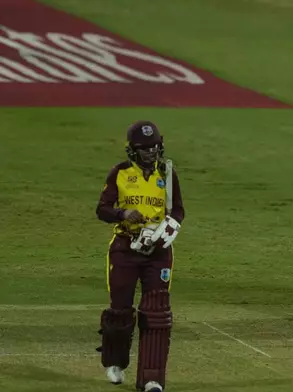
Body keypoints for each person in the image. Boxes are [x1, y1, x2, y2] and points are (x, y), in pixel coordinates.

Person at [96, 121, 185, 392]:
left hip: (158, 253)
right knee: (120, 309)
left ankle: (151, 378)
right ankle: (115, 362)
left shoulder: (168, 173)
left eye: (154, 147)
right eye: (144, 148)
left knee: (156, 313)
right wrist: (123, 214)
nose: (150, 152)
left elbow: (178, 210)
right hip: (125, 248)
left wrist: (168, 229)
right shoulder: (120, 173)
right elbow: (102, 209)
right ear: (133, 150)